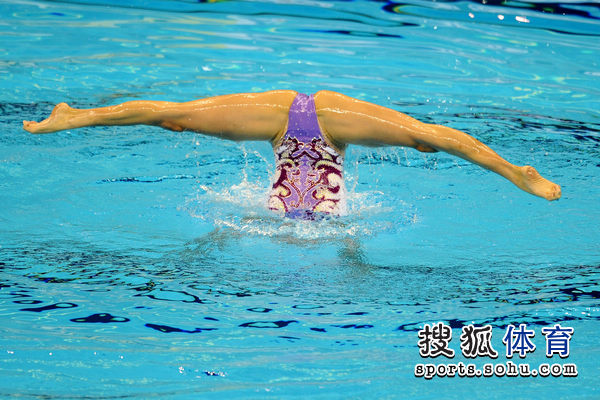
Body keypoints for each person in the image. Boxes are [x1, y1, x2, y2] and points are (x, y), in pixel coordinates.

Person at [23, 90, 561, 219]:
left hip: (295, 123)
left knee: (425, 137)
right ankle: (76, 116)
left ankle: (517, 170)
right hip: (324, 120)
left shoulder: (267, 220)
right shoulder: (334, 225)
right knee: (175, 115)